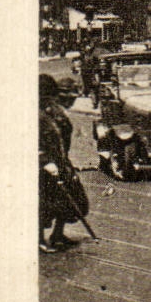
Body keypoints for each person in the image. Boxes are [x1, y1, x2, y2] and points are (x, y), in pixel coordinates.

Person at [39, 77, 87, 253]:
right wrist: (45, 162)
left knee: (68, 198)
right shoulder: (41, 115)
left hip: (59, 161)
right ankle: (38, 239)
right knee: (44, 203)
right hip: (44, 166)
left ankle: (58, 235)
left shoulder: (56, 112)